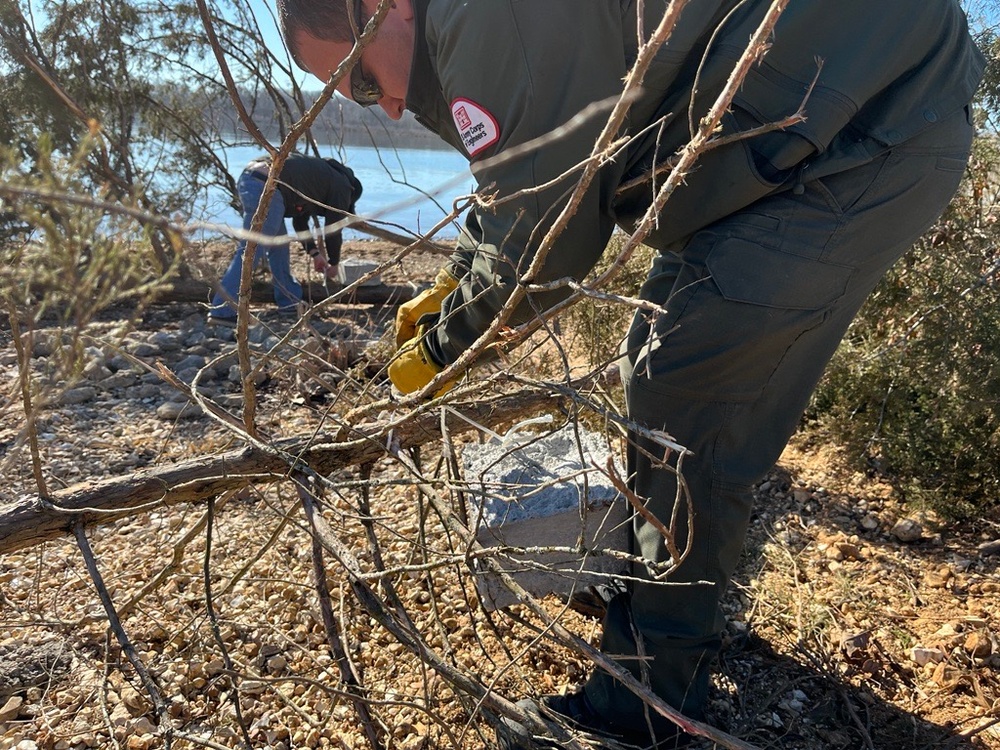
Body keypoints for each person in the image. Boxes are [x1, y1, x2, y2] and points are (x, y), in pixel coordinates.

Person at [276, 0, 984, 747]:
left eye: (358, 82)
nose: (383, 108)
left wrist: (448, 348)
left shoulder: (477, 16)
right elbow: (519, 180)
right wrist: (455, 282)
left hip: (866, 123)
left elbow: (544, 254)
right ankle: (682, 616)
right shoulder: (459, 31)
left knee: (685, 396)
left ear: (378, 6)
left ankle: (646, 706)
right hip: (774, 143)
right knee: (655, 364)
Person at [209, 153, 363, 324]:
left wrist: (315, 254)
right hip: (267, 186)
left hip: (254, 179)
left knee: (279, 247)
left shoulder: (320, 177)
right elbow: (333, 229)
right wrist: (334, 263)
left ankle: (288, 302)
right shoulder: (343, 186)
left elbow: (300, 222)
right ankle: (222, 310)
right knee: (251, 251)